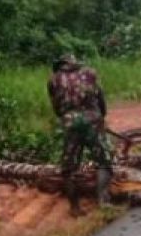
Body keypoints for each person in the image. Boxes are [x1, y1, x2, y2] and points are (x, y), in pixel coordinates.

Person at [47, 54, 112, 216]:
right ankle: (103, 201)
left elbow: (56, 107)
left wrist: (67, 118)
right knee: (103, 161)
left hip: (70, 123)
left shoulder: (53, 80)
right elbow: (100, 98)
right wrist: (101, 116)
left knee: (69, 168)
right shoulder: (90, 73)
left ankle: (75, 208)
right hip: (93, 119)